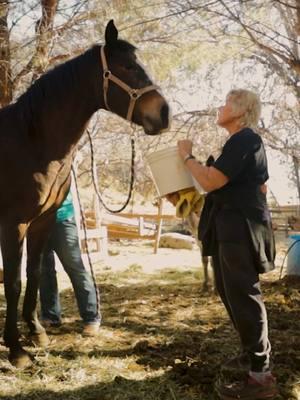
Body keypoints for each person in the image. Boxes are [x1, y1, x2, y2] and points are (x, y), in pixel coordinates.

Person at [177, 89, 277, 399]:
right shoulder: (237, 144)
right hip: (229, 228)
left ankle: (261, 378)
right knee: (230, 293)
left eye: (226, 103)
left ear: (241, 109)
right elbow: (255, 185)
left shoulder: (246, 139)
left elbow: (211, 181)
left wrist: (187, 156)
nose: (220, 107)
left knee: (244, 297)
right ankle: (253, 358)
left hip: (240, 230)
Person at [39, 189, 101, 337]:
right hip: (38, 221)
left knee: (74, 266)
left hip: (62, 218)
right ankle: (50, 315)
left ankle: (91, 317)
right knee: (43, 270)